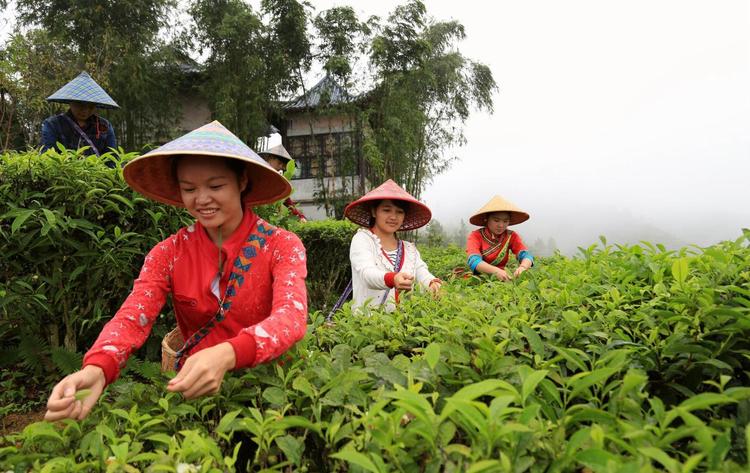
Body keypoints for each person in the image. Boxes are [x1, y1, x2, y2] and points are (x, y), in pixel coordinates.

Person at [44, 121, 308, 421]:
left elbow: (291, 318)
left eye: (216, 186)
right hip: (199, 402)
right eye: (189, 189)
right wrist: (97, 367)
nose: (202, 199)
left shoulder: (282, 245)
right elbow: (133, 316)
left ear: (243, 181)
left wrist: (228, 353)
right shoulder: (168, 253)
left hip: (272, 402)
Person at [344, 179, 441, 312]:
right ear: (374, 212)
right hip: (367, 326)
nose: (393, 217)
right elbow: (367, 274)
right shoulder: (362, 240)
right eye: (386, 210)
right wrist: (393, 278)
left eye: (399, 212)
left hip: (402, 327)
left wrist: (432, 283)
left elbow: (422, 272)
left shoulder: (409, 249)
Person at [40, 71, 118, 158]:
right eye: (80, 105)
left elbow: (112, 158)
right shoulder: (53, 125)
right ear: (71, 101)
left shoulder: (104, 126)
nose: (85, 110)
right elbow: (47, 156)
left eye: (91, 107)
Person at [465, 195, 534, 281]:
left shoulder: (511, 236)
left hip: (504, 278)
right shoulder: (475, 236)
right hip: (480, 277)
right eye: (496, 220)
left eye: (505, 221)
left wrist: (523, 268)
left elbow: (526, 255)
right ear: (486, 219)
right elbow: (473, 260)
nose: (501, 225)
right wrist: (496, 271)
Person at [258, 144, 308, 222]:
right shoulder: (256, 174)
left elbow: (287, 202)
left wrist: (300, 216)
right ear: (270, 158)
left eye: (283, 166)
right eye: (279, 163)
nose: (281, 167)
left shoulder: (276, 182)